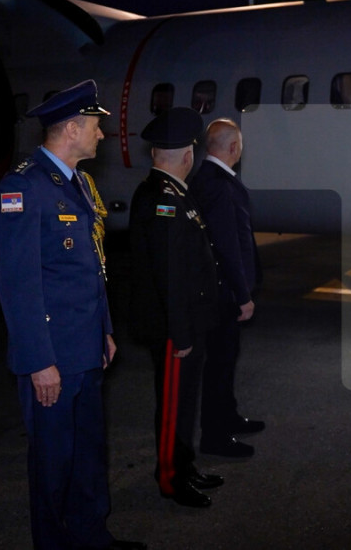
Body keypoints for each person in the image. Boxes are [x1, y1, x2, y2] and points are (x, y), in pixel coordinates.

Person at [0, 80, 146, 550]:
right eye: (96, 126)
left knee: (88, 455)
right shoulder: (23, 186)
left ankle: (91, 535)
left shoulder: (78, 183)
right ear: (72, 129)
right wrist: (39, 361)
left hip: (86, 346)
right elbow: (19, 284)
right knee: (53, 464)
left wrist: (105, 331)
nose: (101, 135)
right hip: (53, 354)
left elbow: (91, 267)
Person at [127, 107, 223, 508]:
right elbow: (170, 275)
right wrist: (181, 333)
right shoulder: (162, 200)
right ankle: (170, 478)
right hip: (173, 328)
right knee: (172, 405)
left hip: (186, 323)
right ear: (188, 155)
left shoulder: (175, 193)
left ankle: (184, 465)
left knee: (184, 402)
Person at [190, 119, 264, 459]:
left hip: (221, 289)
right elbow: (228, 245)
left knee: (227, 357)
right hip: (224, 293)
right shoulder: (218, 184)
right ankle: (215, 436)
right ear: (234, 147)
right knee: (220, 363)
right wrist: (243, 294)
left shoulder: (208, 178)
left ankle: (228, 416)